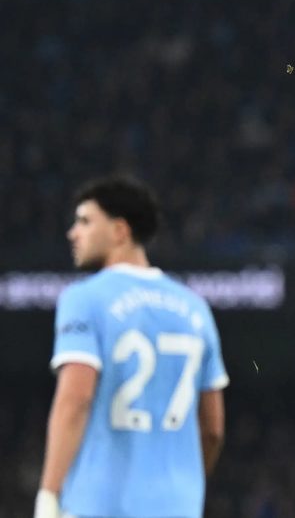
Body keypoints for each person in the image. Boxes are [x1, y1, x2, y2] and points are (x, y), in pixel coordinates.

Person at [35, 176, 229, 518]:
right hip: (180, 507)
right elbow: (212, 429)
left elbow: (75, 399)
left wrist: (49, 494)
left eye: (84, 221)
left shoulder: (84, 298)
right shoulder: (196, 308)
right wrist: (185, 486)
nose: (73, 233)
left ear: (119, 230)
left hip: (99, 506)